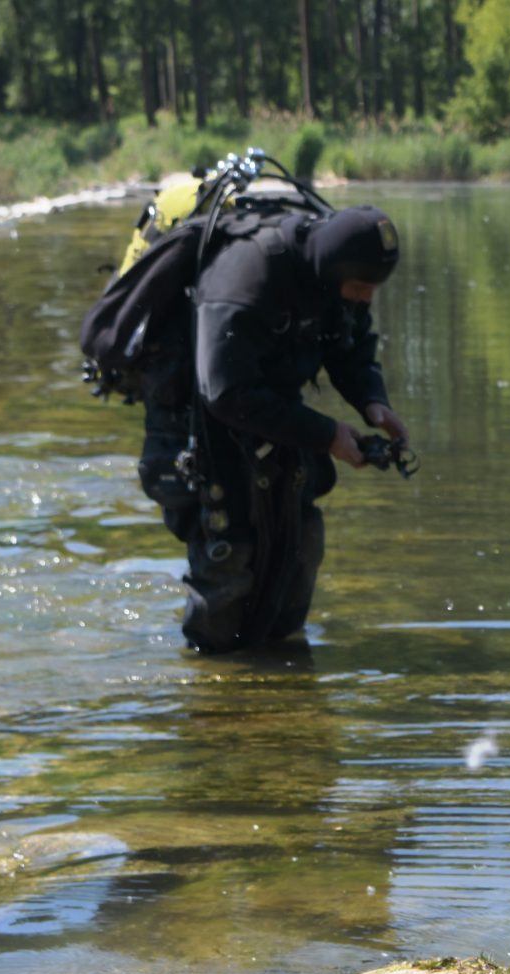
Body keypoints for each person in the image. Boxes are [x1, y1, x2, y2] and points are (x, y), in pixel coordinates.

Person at [136, 203, 409, 653]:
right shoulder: (248, 277)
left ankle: (280, 671)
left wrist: (373, 402)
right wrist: (327, 435)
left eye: (373, 289)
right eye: (361, 287)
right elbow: (224, 391)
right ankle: (213, 676)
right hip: (199, 423)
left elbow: (351, 344)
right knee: (230, 554)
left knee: (301, 543)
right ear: (335, 268)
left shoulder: (334, 284)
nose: (367, 298)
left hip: (272, 417)